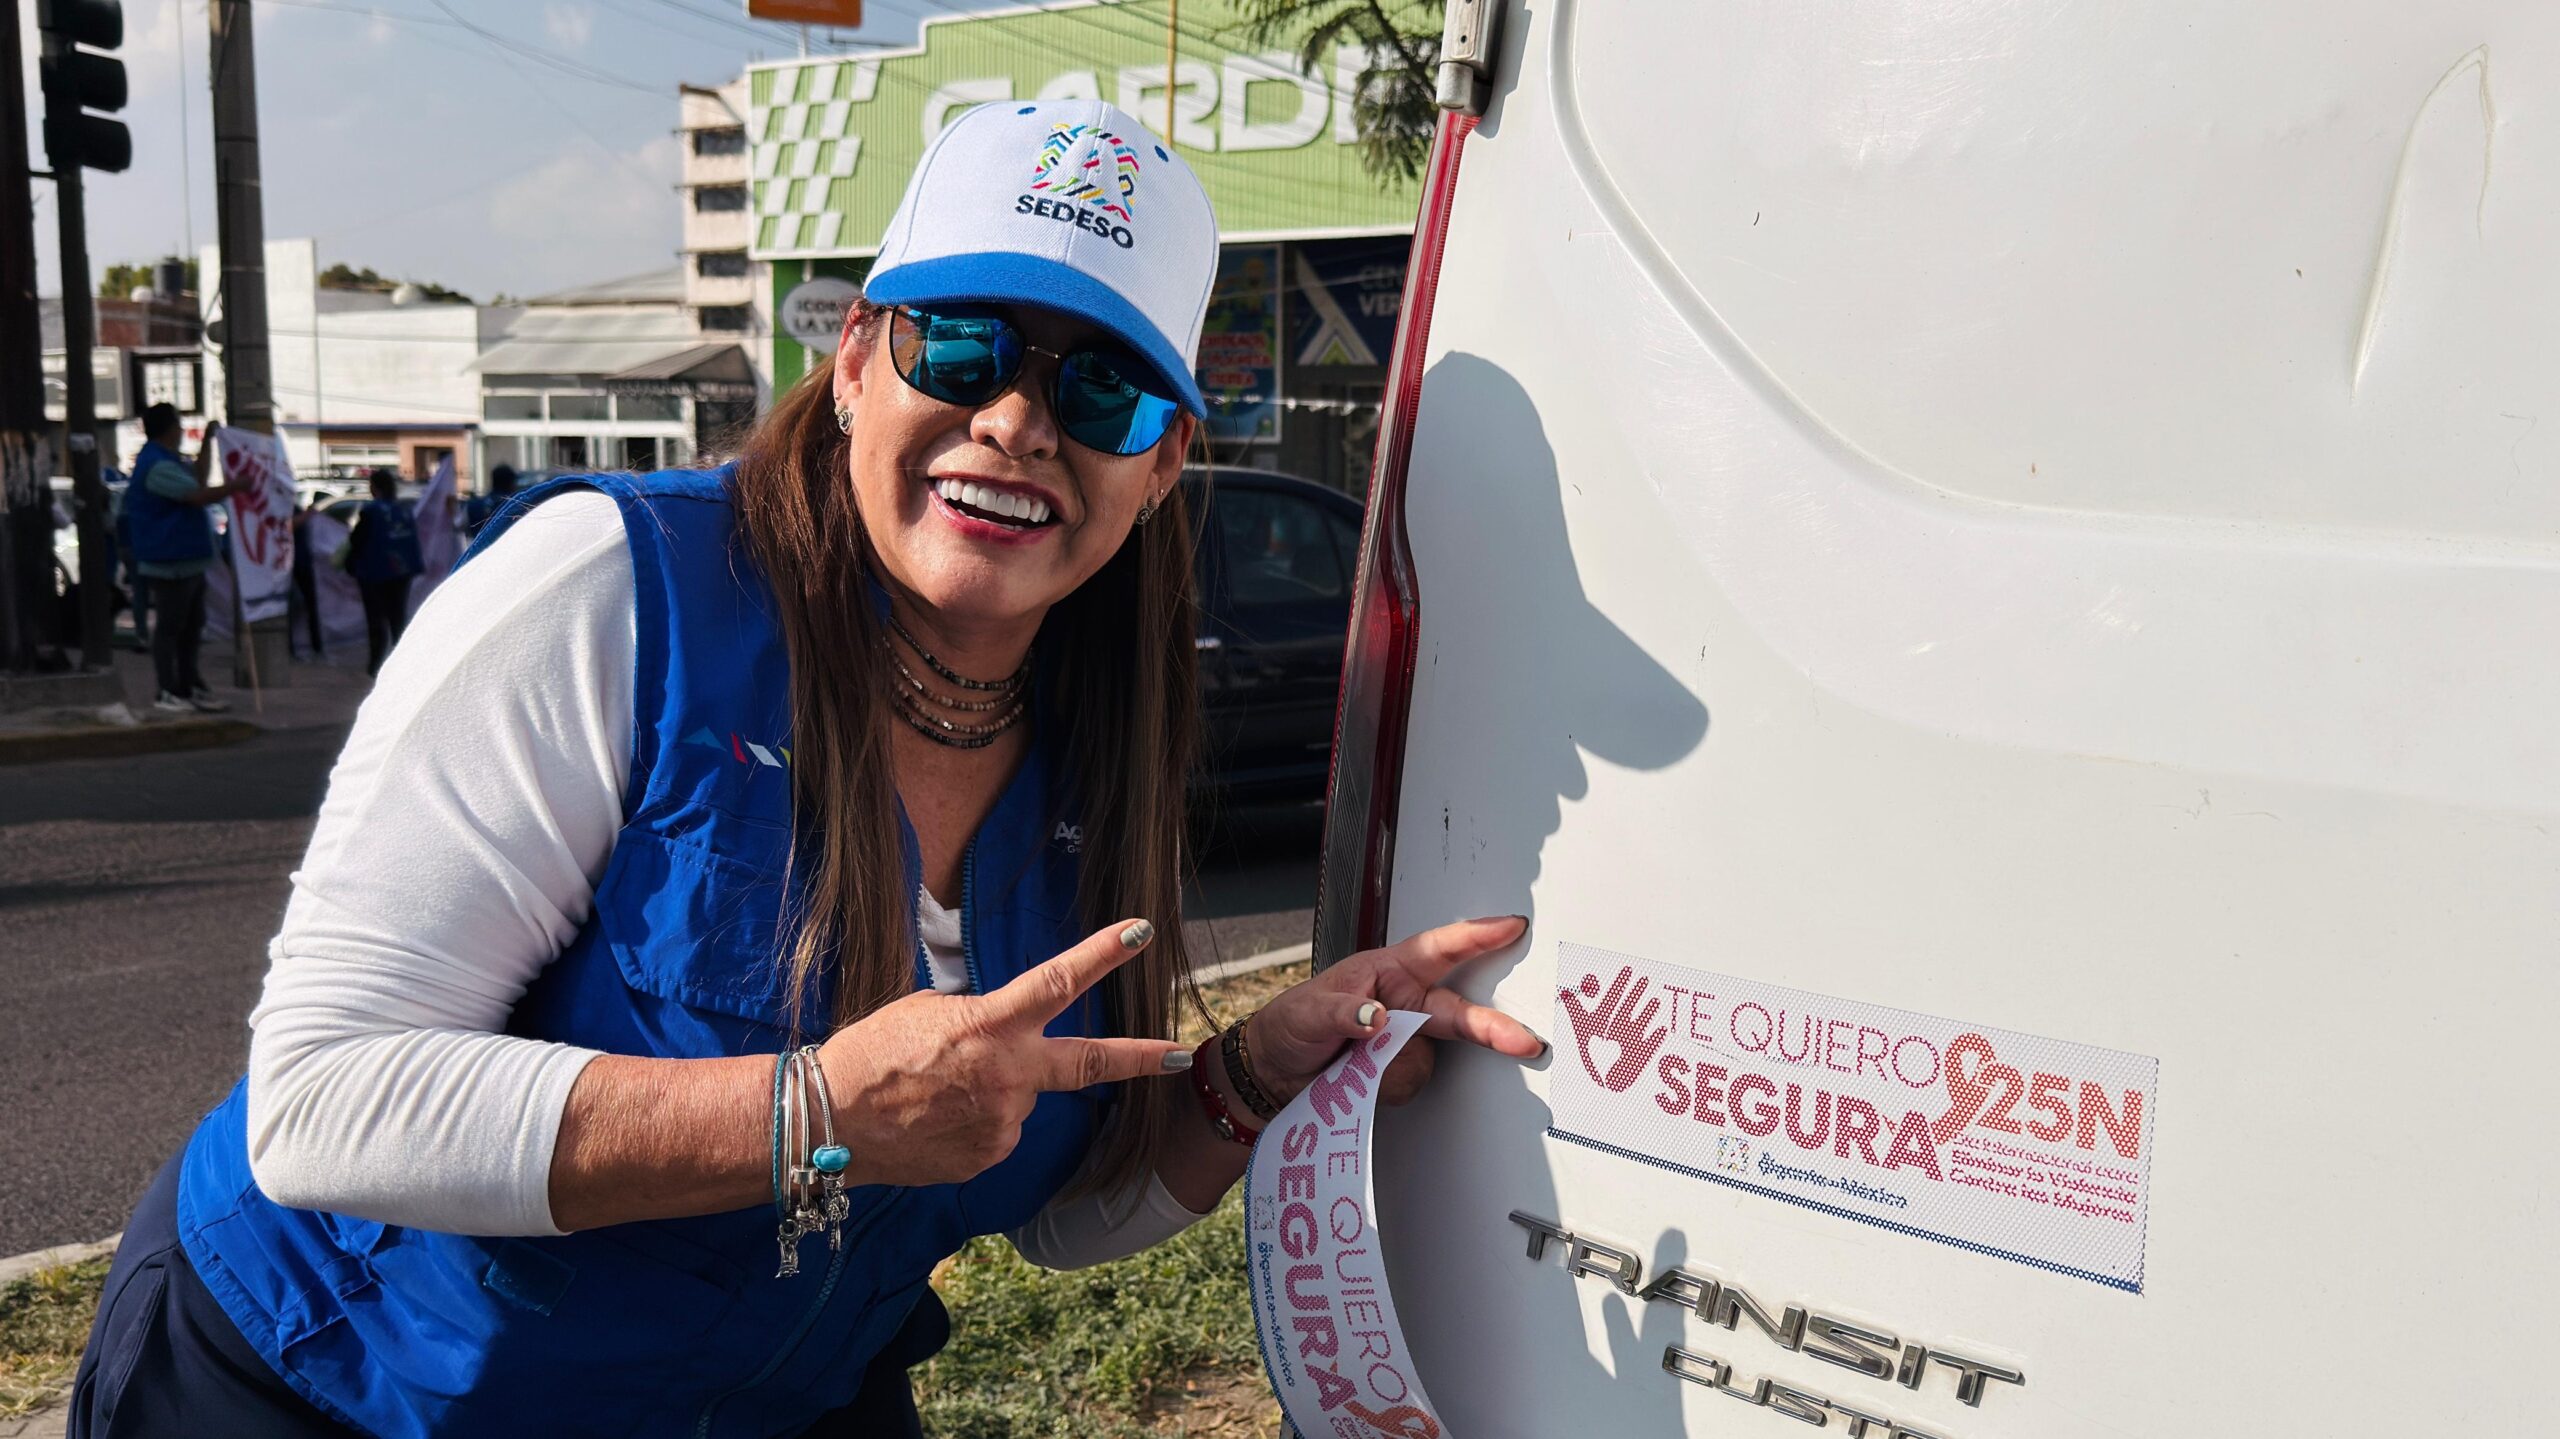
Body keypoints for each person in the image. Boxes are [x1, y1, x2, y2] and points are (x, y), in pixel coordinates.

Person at [67, 99, 1542, 1439]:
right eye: (959, 344)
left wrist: (1247, 1075)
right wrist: (810, 1111)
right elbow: (324, 1101)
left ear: (1161, 465)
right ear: (851, 363)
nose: (1019, 419)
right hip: (328, 1389)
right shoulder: (615, 590)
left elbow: (1045, 1201)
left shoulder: (1105, 732)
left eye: (1104, 393)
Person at [120, 405, 240, 713]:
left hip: (186, 558)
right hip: (169, 560)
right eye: (178, 423)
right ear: (168, 428)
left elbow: (198, 480)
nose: (182, 429)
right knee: (172, 628)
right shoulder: (157, 465)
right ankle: (168, 689)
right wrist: (237, 487)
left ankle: (190, 684)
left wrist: (208, 442)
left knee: (190, 625)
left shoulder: (168, 460)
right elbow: (197, 495)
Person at [346, 467, 422, 675]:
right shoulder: (403, 511)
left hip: (374, 573)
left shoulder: (371, 511)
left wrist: (349, 563)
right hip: (401, 573)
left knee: (376, 621)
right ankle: (401, 664)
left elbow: (356, 540)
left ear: (374, 487)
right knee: (397, 619)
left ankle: (376, 666)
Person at [288, 494, 324, 660]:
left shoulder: (293, 508)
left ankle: (317, 647)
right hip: (290, 565)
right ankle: (291, 649)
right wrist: (306, 515)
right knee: (292, 606)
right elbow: (288, 527)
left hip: (301, 563)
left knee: (310, 606)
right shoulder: (285, 509)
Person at [461, 461, 517, 539]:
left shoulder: (474, 505)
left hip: (478, 548)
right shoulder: (515, 505)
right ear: (511, 483)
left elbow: (462, 527)